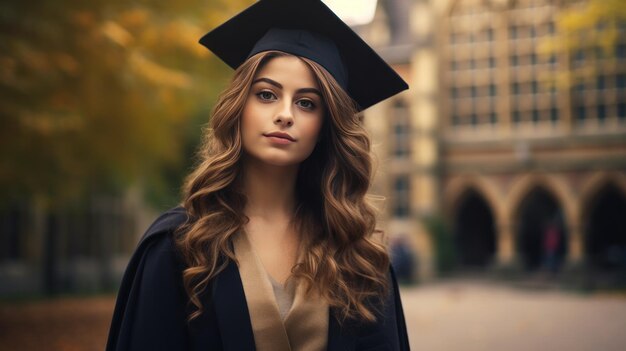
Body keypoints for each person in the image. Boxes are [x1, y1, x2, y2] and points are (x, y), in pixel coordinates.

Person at [106, 0, 410, 350]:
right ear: (239, 107)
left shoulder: (359, 259)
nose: (285, 115)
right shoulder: (180, 248)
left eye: (306, 103)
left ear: (326, 126)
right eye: (266, 95)